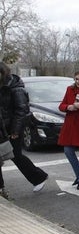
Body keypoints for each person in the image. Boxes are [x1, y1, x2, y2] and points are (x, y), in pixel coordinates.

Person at [0, 63, 48, 198]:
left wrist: (15, 130)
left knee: (16, 155)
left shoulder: (15, 88)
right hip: (2, 127)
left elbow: (21, 110)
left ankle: (39, 177)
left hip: (12, 128)